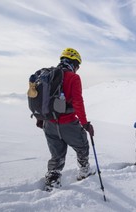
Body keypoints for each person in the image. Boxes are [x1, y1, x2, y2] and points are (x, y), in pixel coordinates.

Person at [36, 48, 95, 188]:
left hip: (49, 123)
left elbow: (41, 99)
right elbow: (78, 102)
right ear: (74, 63)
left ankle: (52, 181)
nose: (78, 69)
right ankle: (84, 171)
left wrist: (40, 117)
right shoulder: (73, 77)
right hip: (68, 123)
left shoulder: (48, 75)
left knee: (57, 155)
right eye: (78, 65)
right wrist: (85, 124)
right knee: (82, 146)